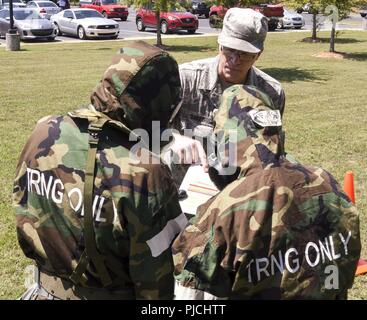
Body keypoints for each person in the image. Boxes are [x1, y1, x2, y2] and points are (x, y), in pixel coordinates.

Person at [13, 40, 187, 300]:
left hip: (41, 291)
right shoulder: (145, 171)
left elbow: (21, 204)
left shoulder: (44, 130)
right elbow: (156, 283)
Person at [173, 84, 361, 299]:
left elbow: (192, 295)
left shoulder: (219, 213)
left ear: (224, 136)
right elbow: (345, 267)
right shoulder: (328, 184)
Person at [166, 8, 285, 185]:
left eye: (244, 54)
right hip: (183, 190)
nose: (235, 60)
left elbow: (272, 150)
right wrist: (172, 139)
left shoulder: (271, 93)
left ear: (258, 55)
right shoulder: (186, 79)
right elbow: (148, 129)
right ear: (220, 45)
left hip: (239, 196)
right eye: (230, 50)